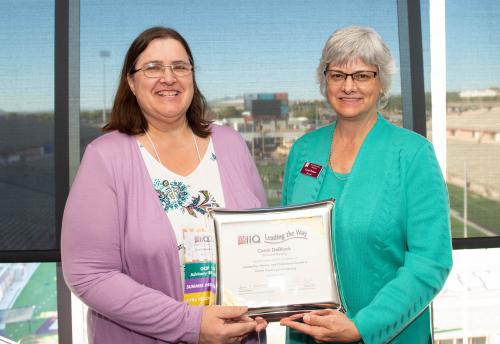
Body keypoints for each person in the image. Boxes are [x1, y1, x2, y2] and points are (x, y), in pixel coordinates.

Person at [61, 26, 267, 343]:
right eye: (153, 67)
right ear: (130, 81)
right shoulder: (106, 157)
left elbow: (260, 239)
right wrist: (191, 324)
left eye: (180, 67)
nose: (168, 77)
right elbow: (90, 274)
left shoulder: (231, 143)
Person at [279, 26, 453, 343]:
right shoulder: (303, 150)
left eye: (362, 75)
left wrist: (361, 327)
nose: (348, 86)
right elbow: (283, 243)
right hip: (307, 334)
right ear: (324, 79)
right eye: (337, 75)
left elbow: (431, 262)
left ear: (381, 81)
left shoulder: (412, 154)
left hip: (388, 335)